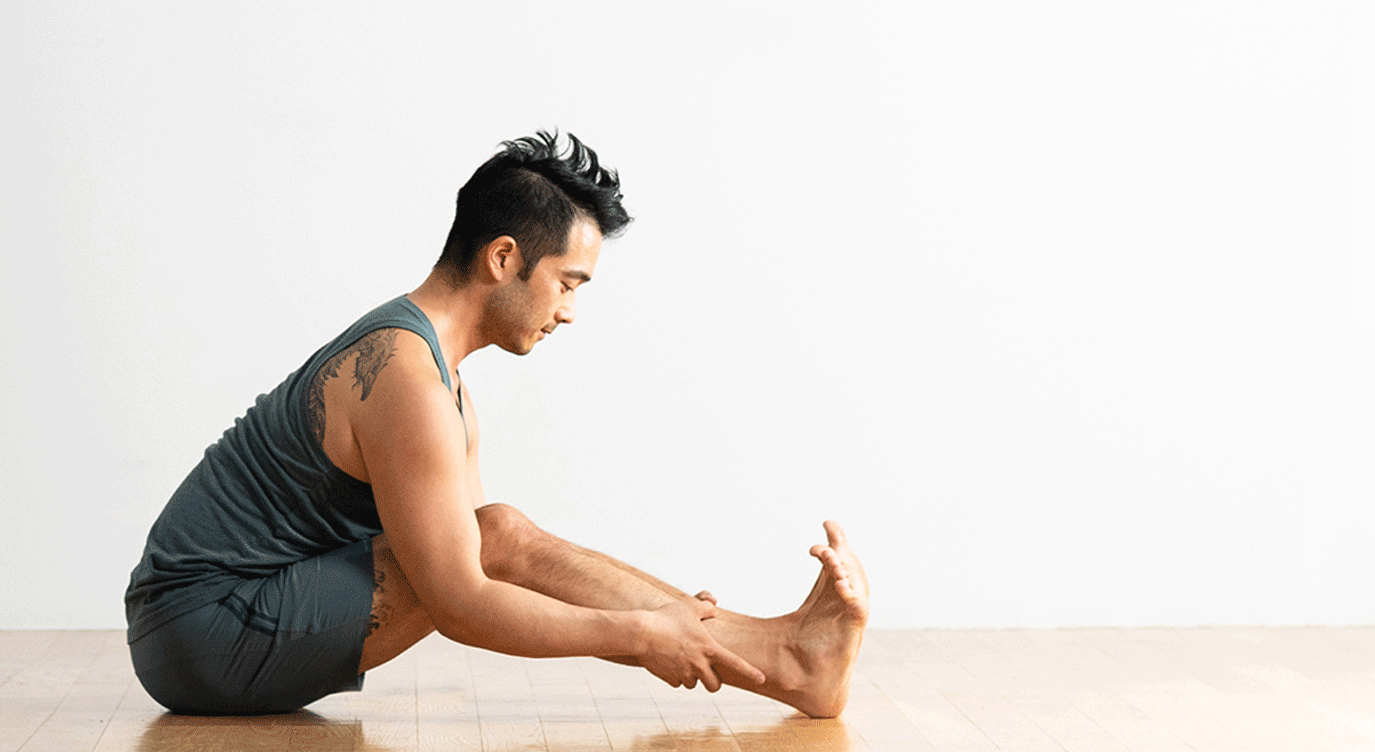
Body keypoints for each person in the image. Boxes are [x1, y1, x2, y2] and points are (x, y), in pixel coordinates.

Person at [123, 131, 868, 717]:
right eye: (568, 282)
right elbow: (461, 600)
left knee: (498, 529)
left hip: (227, 618)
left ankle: (785, 652)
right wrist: (646, 632)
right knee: (497, 536)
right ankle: (786, 658)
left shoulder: (439, 375)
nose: (570, 310)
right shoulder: (403, 375)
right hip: (197, 628)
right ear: (504, 257)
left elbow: (488, 558)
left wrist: (675, 622)